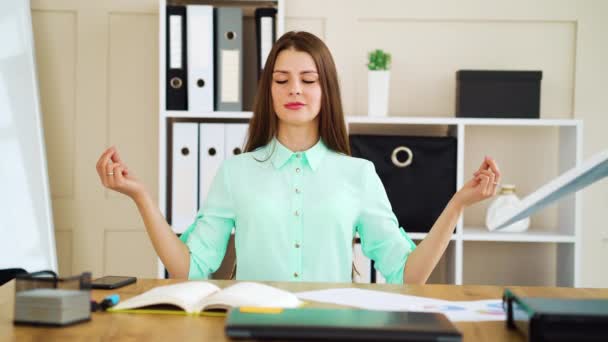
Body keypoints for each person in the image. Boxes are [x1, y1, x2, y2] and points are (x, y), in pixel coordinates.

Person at [96, 31, 500, 284]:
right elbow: (189, 268)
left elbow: (407, 273)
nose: (295, 90)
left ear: (326, 92)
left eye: (308, 81)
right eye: (282, 80)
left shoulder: (358, 174)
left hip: (333, 330)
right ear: (268, 92)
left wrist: (458, 205)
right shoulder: (236, 172)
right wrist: (141, 197)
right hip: (253, 328)